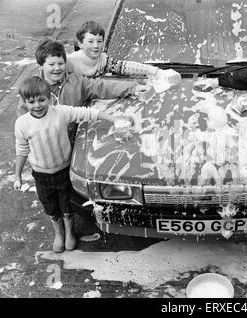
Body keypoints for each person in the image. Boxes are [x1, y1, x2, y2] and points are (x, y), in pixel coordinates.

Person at [13, 76, 127, 253]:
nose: (37, 105)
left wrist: (113, 119)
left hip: (64, 170)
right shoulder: (22, 124)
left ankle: (69, 233)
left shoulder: (60, 112)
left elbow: (86, 113)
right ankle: (58, 234)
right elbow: (21, 150)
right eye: (32, 101)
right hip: (41, 174)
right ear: (25, 102)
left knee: (67, 204)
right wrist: (17, 175)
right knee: (50, 206)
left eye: (42, 100)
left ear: (50, 98)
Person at [17, 38, 149, 144]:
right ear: (40, 66)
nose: (57, 68)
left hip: (71, 141)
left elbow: (101, 86)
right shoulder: (32, 89)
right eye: (51, 65)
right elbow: (23, 121)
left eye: (61, 63)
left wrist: (132, 87)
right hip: (45, 145)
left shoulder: (76, 82)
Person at [67, 20, 181, 82]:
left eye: (100, 41)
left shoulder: (103, 60)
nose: (96, 46)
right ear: (80, 44)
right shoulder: (69, 62)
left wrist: (156, 71)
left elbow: (126, 66)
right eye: (91, 42)